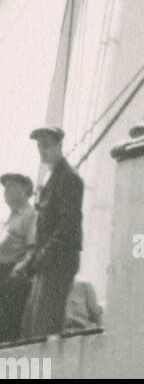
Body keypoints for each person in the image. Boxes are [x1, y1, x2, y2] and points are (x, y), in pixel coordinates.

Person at [18, 128, 83, 340]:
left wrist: (41, 258)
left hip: (59, 262)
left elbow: (67, 227)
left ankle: (47, 371)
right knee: (32, 327)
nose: (42, 151)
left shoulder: (69, 178)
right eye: (39, 146)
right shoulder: (52, 178)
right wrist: (33, 261)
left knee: (45, 329)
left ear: (58, 145)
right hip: (47, 263)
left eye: (46, 145)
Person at [0, 172, 36, 343]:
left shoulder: (30, 214)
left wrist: (20, 268)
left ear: (25, 189)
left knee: (10, 325)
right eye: (5, 186)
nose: (6, 190)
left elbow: (33, 248)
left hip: (14, 275)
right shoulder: (8, 219)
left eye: (12, 185)